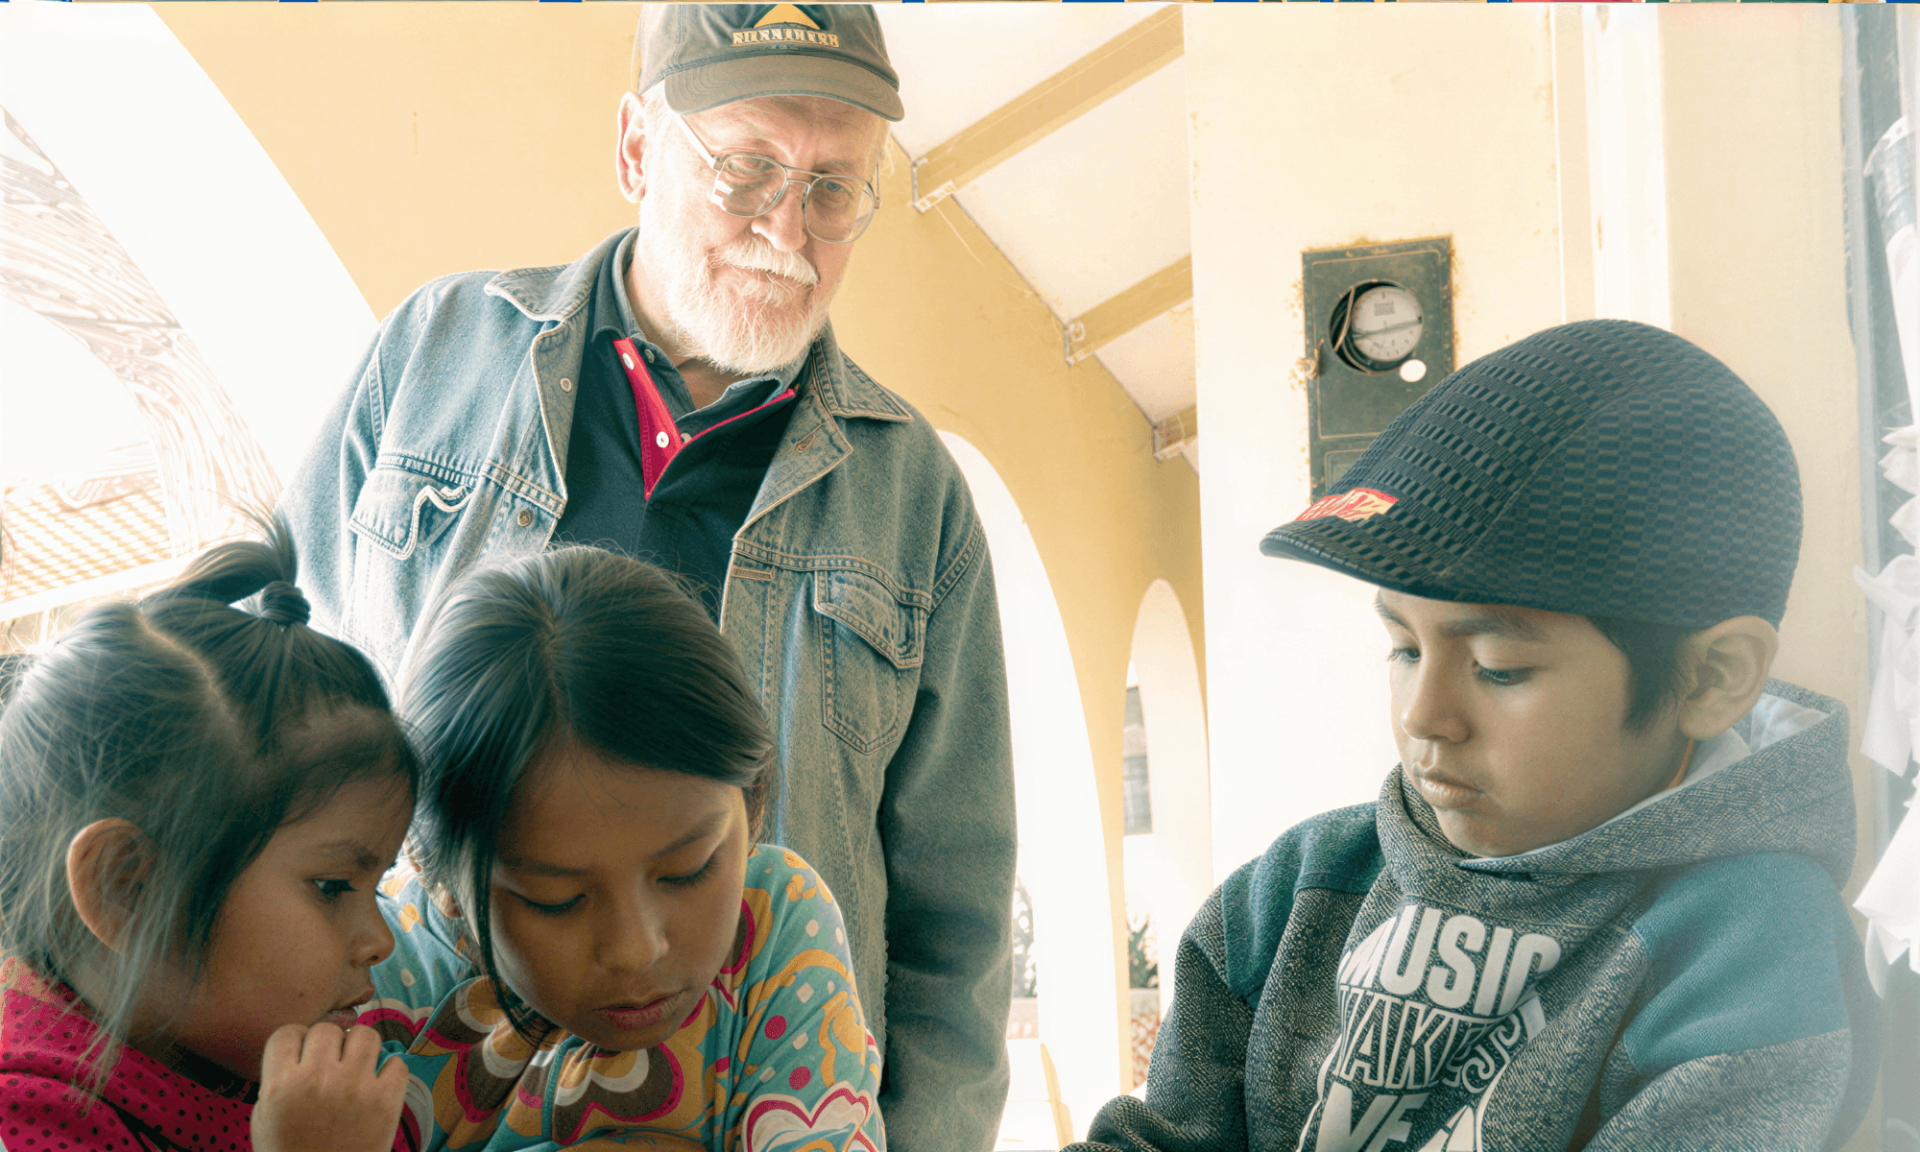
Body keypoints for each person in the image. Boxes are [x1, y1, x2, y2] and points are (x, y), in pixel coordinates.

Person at [276, 9, 1013, 1147]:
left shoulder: (915, 495)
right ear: (635, 150)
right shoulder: (430, 354)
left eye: (832, 188)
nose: (787, 227)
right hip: (431, 1079)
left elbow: (955, 926)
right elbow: (284, 711)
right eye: (748, 167)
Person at [1071, 320, 1879, 1152]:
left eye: (1497, 667)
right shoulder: (1293, 897)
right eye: (1404, 647)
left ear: (1710, 678)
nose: (1423, 718)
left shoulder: (1752, 949)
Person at [360, 546, 884, 1151]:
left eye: (689, 870)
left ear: (754, 800)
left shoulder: (773, 923)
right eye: (556, 900)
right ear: (436, 875)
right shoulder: (368, 971)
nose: (635, 951)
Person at [0, 531, 422, 1152]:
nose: (381, 941)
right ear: (128, 889)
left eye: (378, 885)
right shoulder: (34, 1119)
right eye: (333, 888)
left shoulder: (234, 1035)